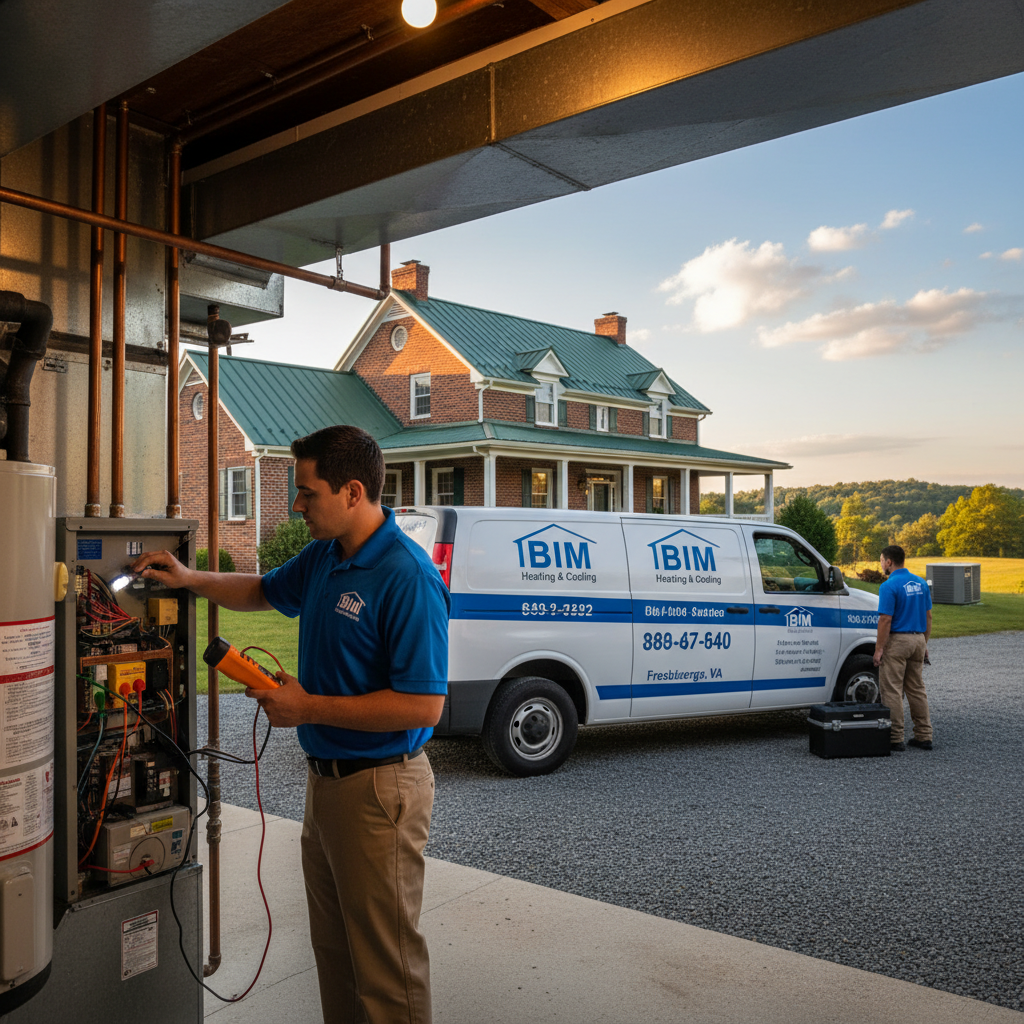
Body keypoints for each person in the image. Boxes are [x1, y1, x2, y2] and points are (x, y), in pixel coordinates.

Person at [132, 425, 450, 1024]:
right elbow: (261, 589)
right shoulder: (327, 556)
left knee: (386, 971)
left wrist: (309, 709)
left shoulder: (407, 577)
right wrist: (189, 579)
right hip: (327, 786)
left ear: (353, 492)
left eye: (307, 493)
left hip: (380, 790)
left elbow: (423, 707)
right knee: (334, 955)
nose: (296, 506)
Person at [873, 545, 933, 752]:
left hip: (898, 642)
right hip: (918, 639)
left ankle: (895, 737)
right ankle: (924, 736)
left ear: (889, 562)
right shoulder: (921, 583)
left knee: (891, 690)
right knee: (916, 689)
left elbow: (885, 619)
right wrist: (924, 643)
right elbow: (928, 616)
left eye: (881, 560)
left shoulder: (889, 586)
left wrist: (879, 649)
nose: (881, 564)